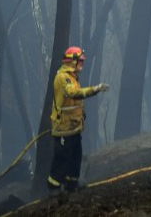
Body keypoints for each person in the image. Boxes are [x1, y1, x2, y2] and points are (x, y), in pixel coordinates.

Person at [47, 46, 109, 192]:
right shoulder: (63, 77)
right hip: (63, 128)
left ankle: (72, 184)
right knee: (62, 158)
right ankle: (54, 189)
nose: (82, 64)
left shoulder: (72, 77)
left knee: (76, 156)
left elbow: (73, 103)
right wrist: (95, 89)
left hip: (73, 127)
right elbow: (73, 93)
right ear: (72, 61)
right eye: (80, 61)